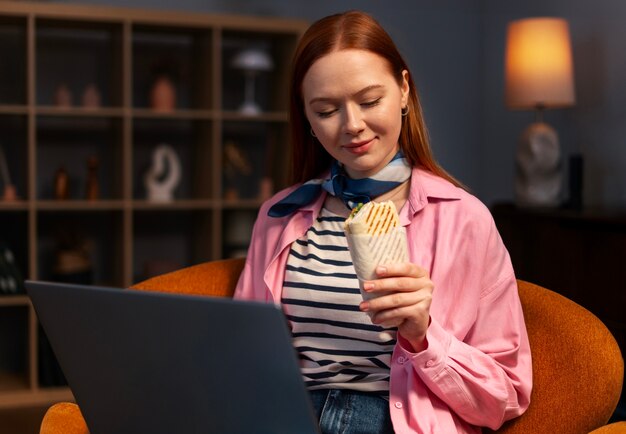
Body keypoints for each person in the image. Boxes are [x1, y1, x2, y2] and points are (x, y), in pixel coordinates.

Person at [234, 10, 532, 434]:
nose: (352, 125)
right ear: (307, 119)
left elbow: (505, 396)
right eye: (325, 110)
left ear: (404, 90)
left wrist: (424, 335)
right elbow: (243, 355)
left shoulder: (465, 219)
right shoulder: (280, 215)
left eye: (370, 101)